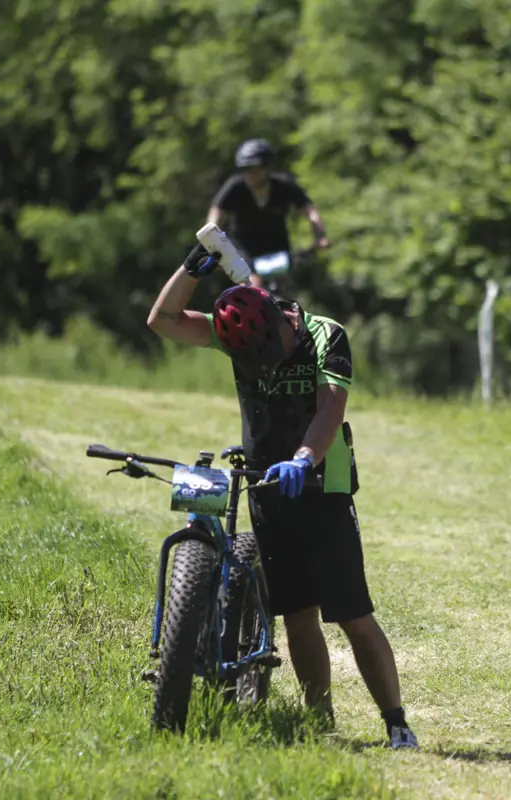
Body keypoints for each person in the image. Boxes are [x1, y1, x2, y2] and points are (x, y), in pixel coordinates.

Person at [145, 239, 418, 750]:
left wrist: (303, 459)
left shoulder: (323, 335)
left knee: (352, 613)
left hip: (322, 484)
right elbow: (161, 320)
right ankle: (320, 723)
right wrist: (189, 268)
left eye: (268, 354)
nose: (262, 364)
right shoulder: (235, 333)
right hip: (265, 485)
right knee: (297, 616)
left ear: (280, 322)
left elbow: (329, 411)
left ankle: (396, 722)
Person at [207, 138, 329, 292]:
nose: (251, 174)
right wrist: (212, 245)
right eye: (246, 169)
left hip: (278, 246)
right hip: (244, 248)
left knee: (286, 288)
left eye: (256, 168)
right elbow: (215, 217)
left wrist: (320, 236)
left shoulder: (283, 185)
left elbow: (310, 211)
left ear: (268, 167)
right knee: (254, 287)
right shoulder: (234, 188)